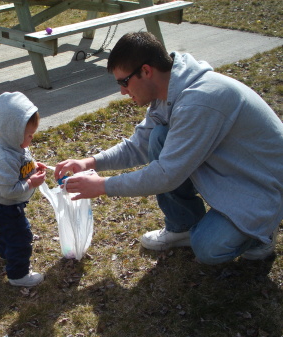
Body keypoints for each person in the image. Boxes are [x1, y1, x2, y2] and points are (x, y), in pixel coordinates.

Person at [54, 32, 282, 265]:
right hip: (233, 170)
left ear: (146, 71)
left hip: (263, 185)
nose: (122, 91)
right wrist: (90, 162)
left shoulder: (199, 101)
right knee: (158, 136)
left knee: (208, 249)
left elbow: (166, 175)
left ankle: (261, 234)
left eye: (124, 82)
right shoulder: (168, 93)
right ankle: (183, 226)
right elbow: (138, 145)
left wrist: (103, 186)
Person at [0, 91, 47, 286]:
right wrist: (31, 183)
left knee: (6, 233)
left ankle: (6, 254)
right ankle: (18, 275)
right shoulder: (4, 157)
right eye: (29, 135)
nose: (31, 139)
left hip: (0, 205)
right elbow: (9, 191)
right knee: (20, 238)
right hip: (4, 206)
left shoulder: (14, 144)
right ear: (13, 131)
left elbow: (23, 161)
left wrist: (33, 168)